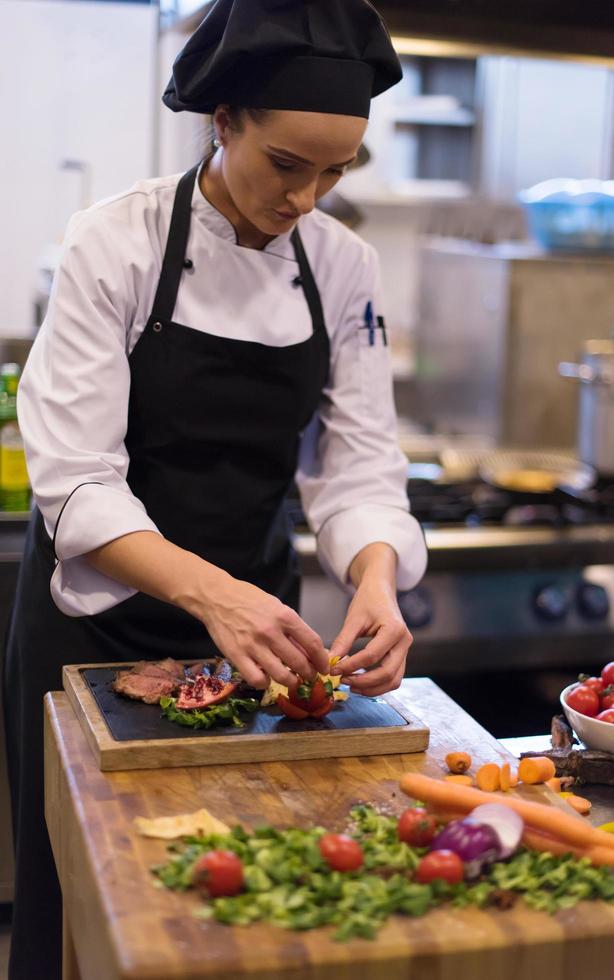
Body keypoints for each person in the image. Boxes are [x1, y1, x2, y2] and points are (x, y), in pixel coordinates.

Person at [2, 0, 428, 976]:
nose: (307, 198)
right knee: (85, 896)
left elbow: (359, 462)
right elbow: (74, 480)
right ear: (221, 120)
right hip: (96, 625)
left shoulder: (342, 266)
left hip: (255, 622)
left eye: (336, 171)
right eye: (287, 164)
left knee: (247, 889)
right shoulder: (113, 243)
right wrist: (213, 595)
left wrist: (373, 579)